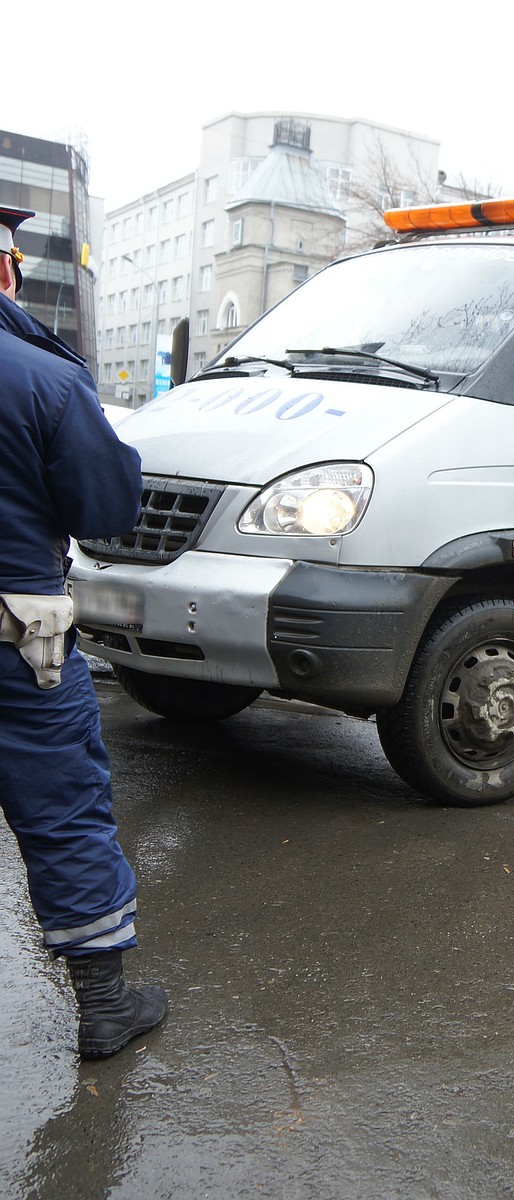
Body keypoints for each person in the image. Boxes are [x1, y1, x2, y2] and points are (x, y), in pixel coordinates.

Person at [0, 205, 168, 1059]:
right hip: (17, 650)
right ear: (4, 272)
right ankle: (105, 1008)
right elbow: (107, 511)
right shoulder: (42, 379)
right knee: (64, 812)